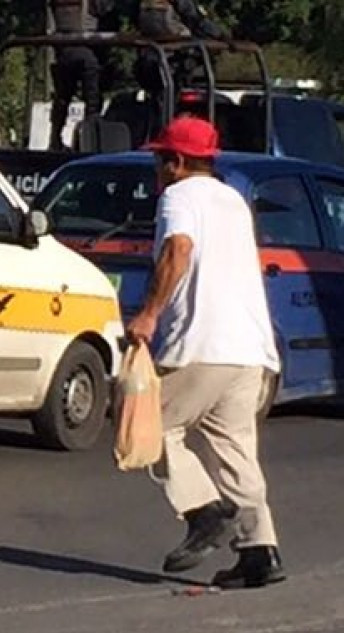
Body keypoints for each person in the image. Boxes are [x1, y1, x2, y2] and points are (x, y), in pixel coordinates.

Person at [126, 115, 285, 588]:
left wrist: (150, 314)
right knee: (235, 453)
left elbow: (178, 250)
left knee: (152, 427)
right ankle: (261, 550)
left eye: (159, 160)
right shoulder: (233, 199)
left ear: (175, 162)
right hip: (250, 349)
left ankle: (203, 511)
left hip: (202, 342)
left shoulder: (178, 196)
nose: (156, 170)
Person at [132, 1, 228, 137]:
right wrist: (221, 37)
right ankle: (166, 132)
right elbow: (196, 20)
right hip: (171, 59)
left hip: (152, 59)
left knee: (158, 103)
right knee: (166, 102)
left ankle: (159, 131)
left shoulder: (142, 5)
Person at [47, 0, 112, 151]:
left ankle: (55, 139)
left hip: (63, 50)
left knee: (62, 98)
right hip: (86, 50)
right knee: (92, 100)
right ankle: (91, 141)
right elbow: (105, 9)